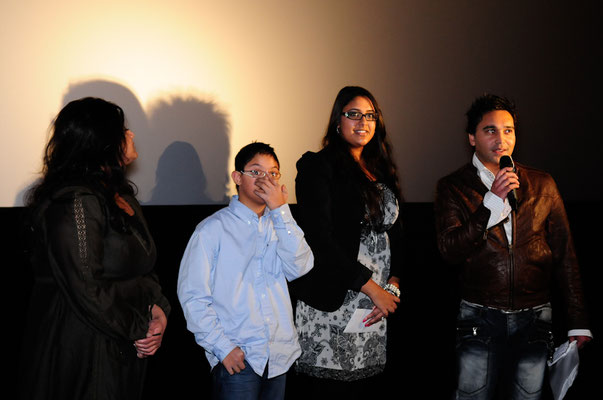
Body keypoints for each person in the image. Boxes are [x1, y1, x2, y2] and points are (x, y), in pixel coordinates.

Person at [434, 93, 592, 400]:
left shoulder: (542, 183)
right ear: (472, 138)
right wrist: (491, 203)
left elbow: (565, 255)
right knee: (472, 396)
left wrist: (578, 322)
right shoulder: (452, 187)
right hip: (479, 315)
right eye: (490, 130)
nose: (501, 139)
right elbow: (450, 250)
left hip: (535, 317)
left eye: (508, 130)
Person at [19, 97, 170, 399]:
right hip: (84, 349)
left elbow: (143, 268)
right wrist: (139, 326)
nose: (131, 135)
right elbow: (85, 288)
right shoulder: (76, 201)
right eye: (123, 130)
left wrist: (158, 310)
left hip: (122, 342)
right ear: (101, 141)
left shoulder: (122, 197)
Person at [289, 86, 403, 396]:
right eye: (353, 114)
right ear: (337, 121)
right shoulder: (317, 166)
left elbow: (396, 234)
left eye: (370, 115)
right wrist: (373, 289)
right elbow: (320, 240)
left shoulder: (380, 168)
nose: (363, 122)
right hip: (334, 301)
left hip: (375, 306)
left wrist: (392, 286)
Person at [177, 142, 314, 400]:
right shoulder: (212, 229)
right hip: (238, 358)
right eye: (256, 172)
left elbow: (300, 267)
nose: (266, 180)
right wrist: (223, 348)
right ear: (237, 177)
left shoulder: (281, 224)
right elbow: (193, 297)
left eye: (273, 173)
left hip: (278, 356)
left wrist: (281, 211)